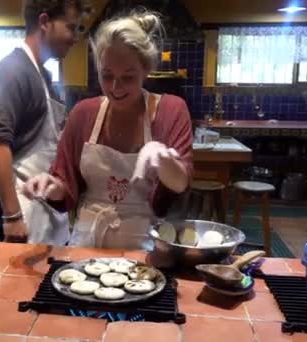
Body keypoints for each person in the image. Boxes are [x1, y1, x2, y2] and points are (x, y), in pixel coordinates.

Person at [23, 10, 193, 250]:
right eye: (107, 75)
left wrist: (161, 156)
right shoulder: (83, 114)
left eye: (128, 77)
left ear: (146, 70)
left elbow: (180, 183)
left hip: (146, 251)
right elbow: (66, 185)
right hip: (86, 247)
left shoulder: (172, 110)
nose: (116, 87)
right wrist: (51, 186)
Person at [0, 0, 86, 243]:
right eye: (71, 27)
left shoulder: (43, 75)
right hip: (19, 210)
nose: (74, 38)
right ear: (44, 22)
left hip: (40, 204)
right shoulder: (13, 71)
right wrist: (12, 216)